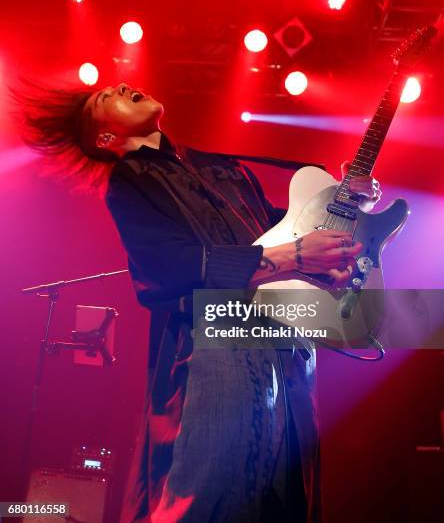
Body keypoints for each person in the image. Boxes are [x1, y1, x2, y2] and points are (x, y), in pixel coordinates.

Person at [13, 81, 382, 522]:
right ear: (105, 139)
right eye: (105, 96)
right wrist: (296, 255)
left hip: (285, 338)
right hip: (216, 341)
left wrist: (341, 211)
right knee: (209, 494)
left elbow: (285, 232)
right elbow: (169, 269)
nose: (123, 86)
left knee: (285, 498)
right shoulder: (129, 181)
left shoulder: (222, 167)